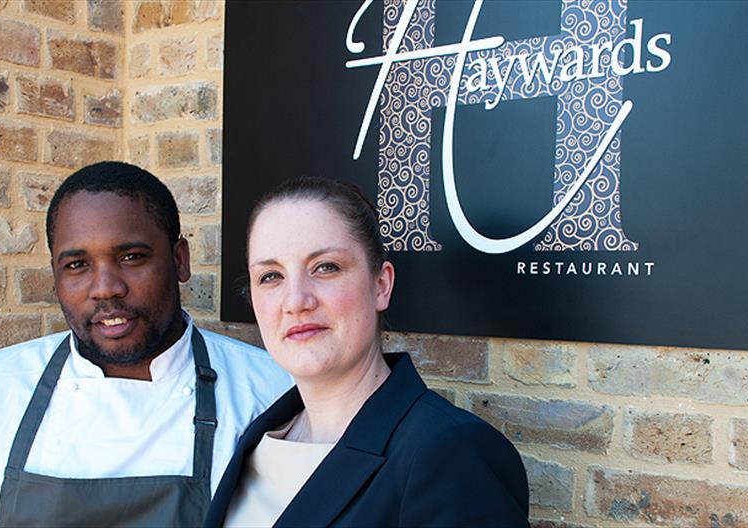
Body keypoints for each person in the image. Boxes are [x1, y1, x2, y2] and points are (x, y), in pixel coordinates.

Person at [0, 161, 292, 526]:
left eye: (132, 257)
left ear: (179, 260)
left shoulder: (271, 398)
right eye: (77, 265)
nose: (105, 289)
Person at [204, 177, 530, 527]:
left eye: (325, 267)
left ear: (381, 285)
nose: (296, 301)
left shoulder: (452, 454)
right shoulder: (259, 439)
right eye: (271, 276)